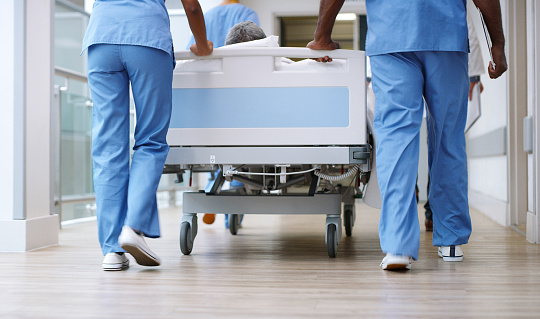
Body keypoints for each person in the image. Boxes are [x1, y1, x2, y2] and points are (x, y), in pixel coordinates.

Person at [308, 0, 507, 270]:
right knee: (448, 137)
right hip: (446, 35)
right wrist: (497, 44)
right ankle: (450, 240)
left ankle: (398, 246)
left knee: (395, 137)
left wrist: (322, 37)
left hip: (391, 34)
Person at [82, 0, 213, 271]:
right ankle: (133, 227)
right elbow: (191, 7)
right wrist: (202, 45)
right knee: (150, 141)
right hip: (147, 39)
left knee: (108, 146)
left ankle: (112, 250)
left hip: (101, 40)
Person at [186, 0, 260, 226]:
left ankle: (212, 184)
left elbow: (192, 53)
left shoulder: (205, 15)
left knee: (214, 146)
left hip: (210, 95)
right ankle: (234, 205)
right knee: (241, 146)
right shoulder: (246, 13)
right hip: (238, 92)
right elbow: (255, 48)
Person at [424, 9, 486, 232]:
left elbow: (466, 20)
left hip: (411, 51)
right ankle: (439, 221)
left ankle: (422, 216)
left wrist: (474, 75)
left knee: (407, 139)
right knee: (444, 142)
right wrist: (475, 74)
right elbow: (466, 20)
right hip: (445, 53)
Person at [186, 0, 259, 49]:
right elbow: (252, 48)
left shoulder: (205, 17)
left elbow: (191, 49)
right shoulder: (247, 14)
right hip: (235, 67)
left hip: (208, 70)